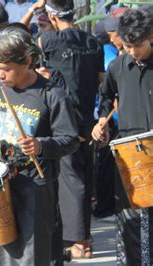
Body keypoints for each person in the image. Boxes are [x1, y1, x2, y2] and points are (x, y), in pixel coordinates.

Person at [0, 26, 79, 266]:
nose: (0, 75)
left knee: (31, 253)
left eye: (6, 69)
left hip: (35, 184)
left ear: (28, 61)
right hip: (1, 181)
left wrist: (40, 145)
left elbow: (70, 140)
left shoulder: (52, 95)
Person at [35, 0, 105, 258]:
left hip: (64, 118)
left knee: (71, 179)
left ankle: (78, 243)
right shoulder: (93, 43)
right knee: (84, 176)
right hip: (88, 116)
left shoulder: (49, 41)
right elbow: (100, 82)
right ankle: (84, 238)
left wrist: (33, 10)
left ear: (52, 17)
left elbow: (17, 38)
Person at [92, 8, 153, 265]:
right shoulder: (117, 66)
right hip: (130, 153)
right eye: (127, 45)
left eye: (137, 45)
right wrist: (101, 123)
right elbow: (106, 98)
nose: (131, 51)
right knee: (131, 220)